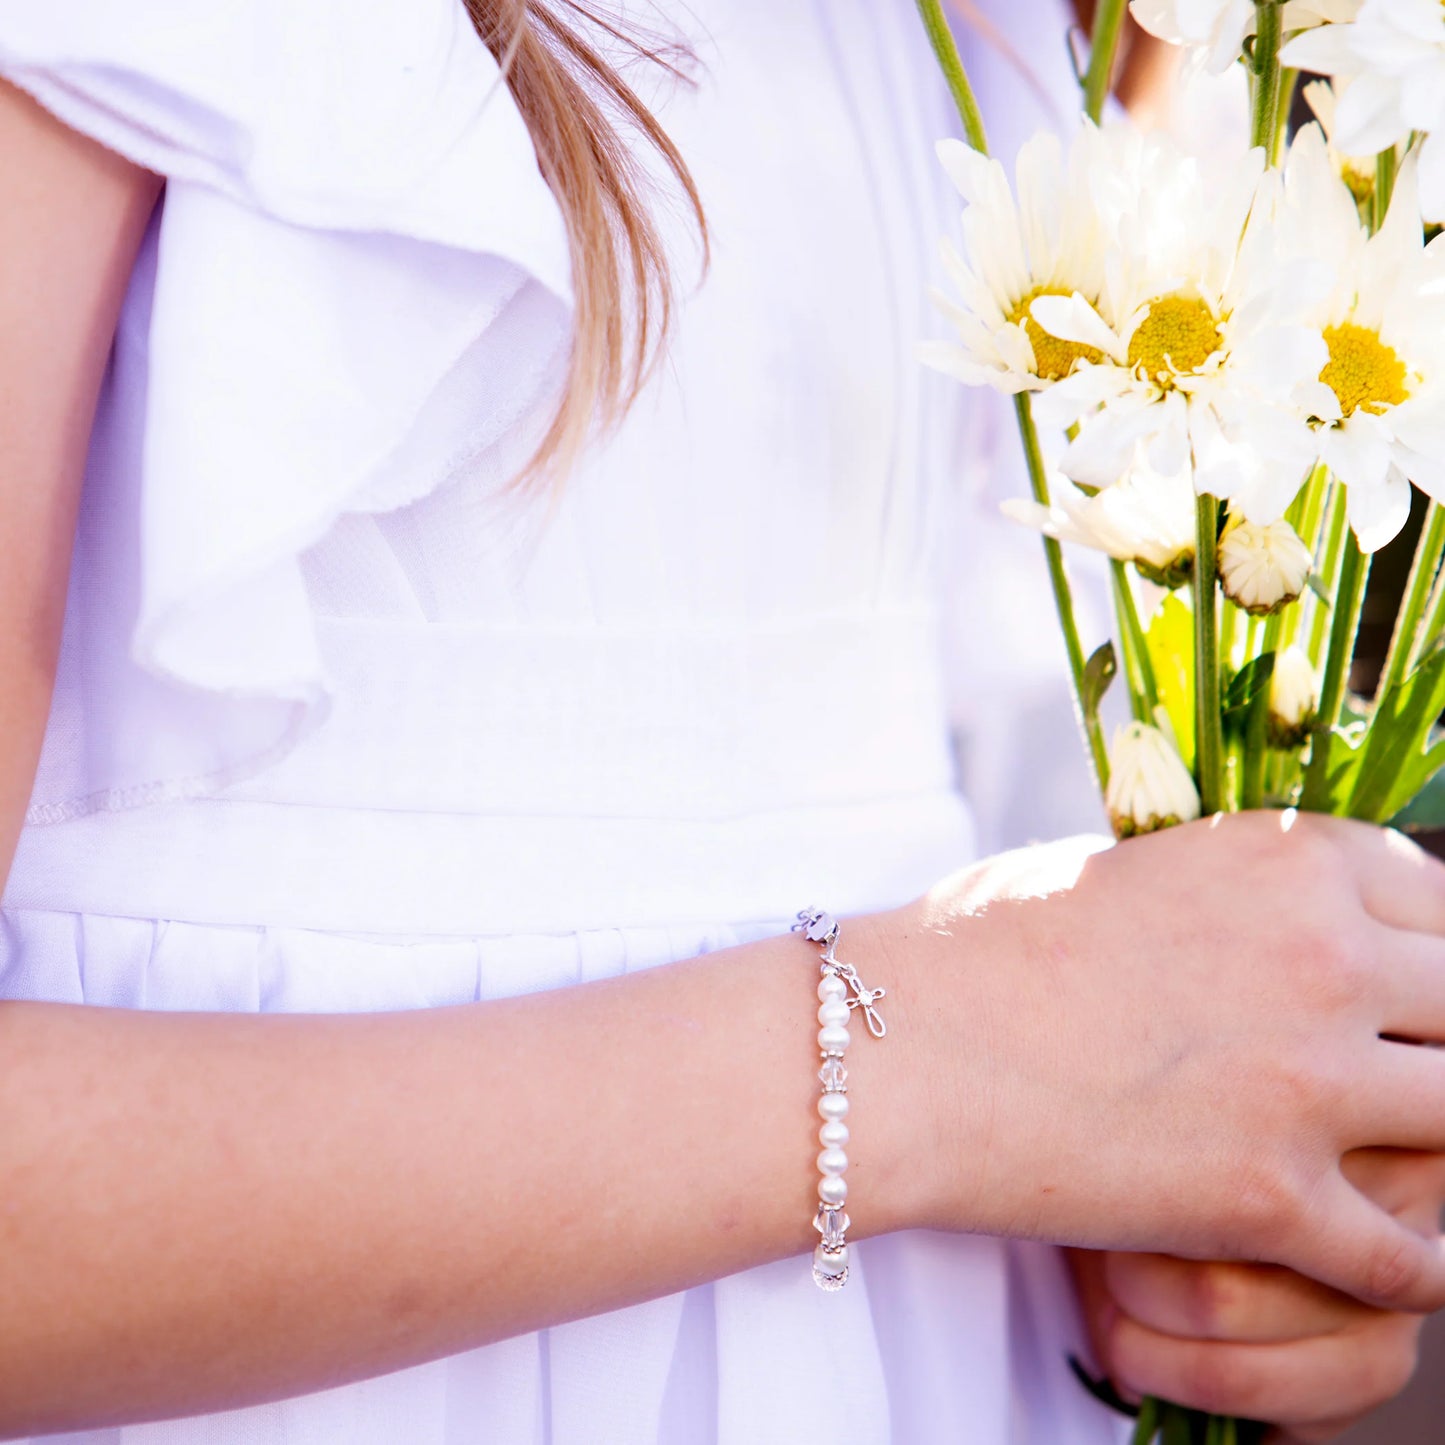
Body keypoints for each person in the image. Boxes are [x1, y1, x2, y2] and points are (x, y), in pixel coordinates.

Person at [0, 1, 1442, 1441]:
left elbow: (976, 844)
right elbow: (1003, 1023)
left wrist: (1197, 1167)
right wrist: (964, 1052)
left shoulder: (996, 46)